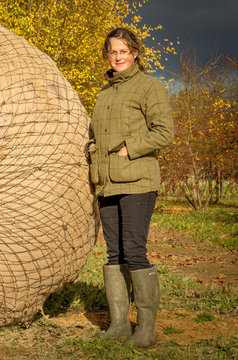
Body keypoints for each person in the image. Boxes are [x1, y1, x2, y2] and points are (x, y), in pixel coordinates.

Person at [86, 28, 174, 348]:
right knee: (114, 253)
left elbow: (164, 132)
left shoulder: (150, 86)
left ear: (135, 52)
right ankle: (120, 323)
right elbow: (98, 135)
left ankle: (146, 329)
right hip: (107, 183)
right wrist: (93, 149)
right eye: (112, 52)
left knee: (134, 251)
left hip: (138, 180)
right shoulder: (105, 92)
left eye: (124, 51)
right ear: (107, 55)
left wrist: (130, 148)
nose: (118, 57)